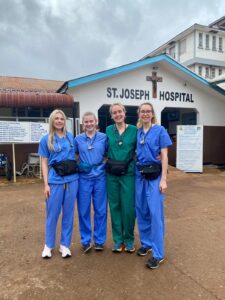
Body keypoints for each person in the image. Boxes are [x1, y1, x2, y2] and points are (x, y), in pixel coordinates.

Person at [135, 102, 172, 269]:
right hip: (140, 175)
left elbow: (164, 156)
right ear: (139, 114)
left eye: (148, 111)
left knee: (155, 214)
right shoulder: (137, 132)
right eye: (142, 111)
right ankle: (146, 243)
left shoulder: (160, 130)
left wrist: (163, 179)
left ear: (152, 114)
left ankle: (158, 253)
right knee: (141, 210)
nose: (145, 114)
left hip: (155, 176)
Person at [38, 109, 78, 259]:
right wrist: (46, 184)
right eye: (57, 118)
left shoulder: (70, 137)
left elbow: (76, 155)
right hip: (55, 181)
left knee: (68, 214)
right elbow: (44, 161)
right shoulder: (46, 139)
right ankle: (48, 245)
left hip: (72, 180)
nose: (60, 121)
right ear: (52, 121)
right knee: (52, 214)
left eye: (62, 118)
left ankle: (65, 245)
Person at [74, 112, 107, 253]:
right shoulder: (78, 139)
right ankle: (86, 241)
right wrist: (79, 165)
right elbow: (74, 155)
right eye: (86, 122)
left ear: (96, 122)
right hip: (84, 178)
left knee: (100, 210)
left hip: (100, 177)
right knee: (83, 210)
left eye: (91, 121)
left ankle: (99, 241)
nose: (89, 124)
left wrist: (102, 164)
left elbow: (108, 154)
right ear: (83, 123)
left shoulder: (104, 137)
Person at [106, 103, 137, 253]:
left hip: (128, 174)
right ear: (111, 116)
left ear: (124, 113)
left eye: (120, 111)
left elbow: (143, 147)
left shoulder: (134, 130)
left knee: (128, 207)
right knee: (115, 206)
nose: (117, 114)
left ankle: (129, 239)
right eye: (114, 112)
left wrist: (157, 155)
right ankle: (118, 241)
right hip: (111, 174)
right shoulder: (108, 130)